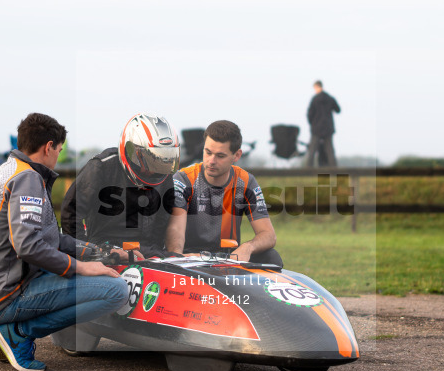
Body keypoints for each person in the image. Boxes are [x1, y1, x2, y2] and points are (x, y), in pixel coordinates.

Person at [0, 113, 129, 371]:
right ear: (48, 146)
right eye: (59, 150)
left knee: (70, 269)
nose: (58, 156)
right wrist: (83, 267)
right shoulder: (28, 179)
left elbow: (50, 238)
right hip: (4, 295)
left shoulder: (8, 170)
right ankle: (17, 331)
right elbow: (28, 246)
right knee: (116, 290)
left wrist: (100, 253)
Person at [61, 113, 180, 260]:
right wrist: (88, 253)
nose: (155, 169)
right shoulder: (102, 167)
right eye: (150, 159)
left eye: (162, 159)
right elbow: (71, 213)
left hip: (146, 251)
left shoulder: (164, 174)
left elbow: (162, 220)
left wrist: (154, 254)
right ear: (132, 151)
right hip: (105, 250)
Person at [165, 120, 281, 267]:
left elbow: (269, 235)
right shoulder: (184, 179)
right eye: (208, 152)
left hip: (228, 259)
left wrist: (248, 247)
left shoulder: (245, 181)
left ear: (237, 155)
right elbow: (176, 229)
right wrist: (178, 257)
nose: (211, 161)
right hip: (190, 257)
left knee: (272, 258)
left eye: (220, 156)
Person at [305, 80, 341, 168]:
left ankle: (308, 170)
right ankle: (334, 170)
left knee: (312, 151)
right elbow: (338, 110)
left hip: (316, 128)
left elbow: (309, 114)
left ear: (316, 87)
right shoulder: (330, 98)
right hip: (328, 128)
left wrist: (312, 123)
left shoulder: (314, 99)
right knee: (330, 151)